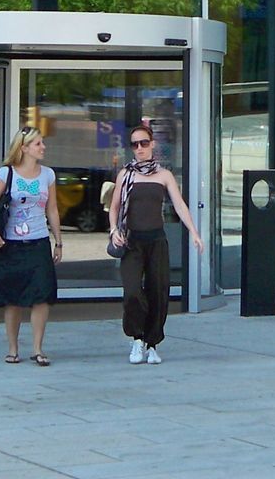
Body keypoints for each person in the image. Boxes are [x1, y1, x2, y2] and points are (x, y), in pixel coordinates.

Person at [110, 121, 202, 365]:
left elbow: (179, 204)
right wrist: (112, 230)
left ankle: (152, 343)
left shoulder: (164, 175)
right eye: (134, 145)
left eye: (143, 143)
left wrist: (193, 231)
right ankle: (136, 338)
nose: (139, 148)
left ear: (152, 145)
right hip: (131, 241)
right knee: (132, 292)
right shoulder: (126, 174)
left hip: (156, 240)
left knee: (158, 292)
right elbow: (115, 207)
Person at [0, 126, 62, 366]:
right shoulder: (7, 174)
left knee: (42, 296)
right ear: (24, 147)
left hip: (38, 241)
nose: (43, 147)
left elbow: (52, 209)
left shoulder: (47, 175)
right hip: (11, 244)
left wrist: (58, 241)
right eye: (38, 143)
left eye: (42, 143)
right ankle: (13, 349)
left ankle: (38, 348)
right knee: (13, 298)